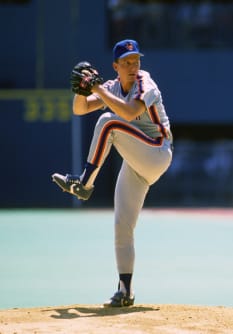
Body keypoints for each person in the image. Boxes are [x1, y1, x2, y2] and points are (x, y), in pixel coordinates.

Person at [52, 39, 173, 307]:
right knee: (122, 225)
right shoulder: (112, 86)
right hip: (137, 162)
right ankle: (125, 290)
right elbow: (79, 108)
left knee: (109, 122)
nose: (133, 66)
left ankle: (84, 183)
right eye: (127, 62)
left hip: (157, 152)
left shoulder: (145, 83)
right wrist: (81, 89)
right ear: (115, 66)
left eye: (136, 60)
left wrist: (95, 86)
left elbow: (128, 113)